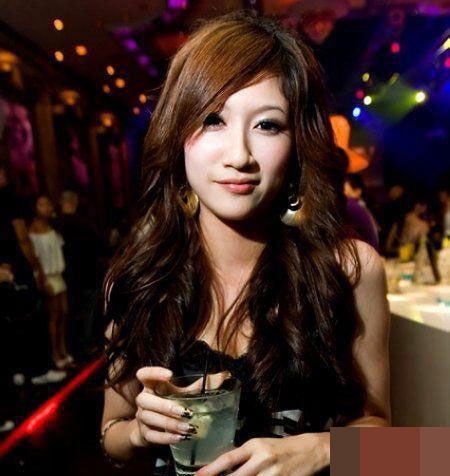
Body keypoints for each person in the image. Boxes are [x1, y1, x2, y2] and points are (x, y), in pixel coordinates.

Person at [101, 12, 390, 476]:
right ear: (177, 134)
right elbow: (110, 437)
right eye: (212, 119)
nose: (239, 155)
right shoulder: (140, 280)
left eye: (268, 125)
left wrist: (322, 450)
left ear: (298, 143)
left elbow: (400, 446)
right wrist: (139, 431)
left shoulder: (350, 270)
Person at [29, 195, 72, 380]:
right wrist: (41, 279)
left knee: (63, 313)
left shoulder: (52, 227)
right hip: (47, 276)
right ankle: (55, 354)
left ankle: (63, 350)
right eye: (41, 204)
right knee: (54, 317)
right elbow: (36, 258)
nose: (46, 207)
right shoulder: (32, 231)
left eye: (48, 204)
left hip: (58, 274)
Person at [56, 190, 103, 356]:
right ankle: (86, 344)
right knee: (87, 312)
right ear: (75, 203)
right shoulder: (85, 224)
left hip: (66, 276)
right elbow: (98, 247)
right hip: (87, 274)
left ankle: (71, 348)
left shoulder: (55, 225)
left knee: (67, 313)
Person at [344, 173, 380, 251]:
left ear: (358, 191)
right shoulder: (361, 206)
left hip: (365, 252)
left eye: (346, 191)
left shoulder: (350, 205)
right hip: (372, 251)